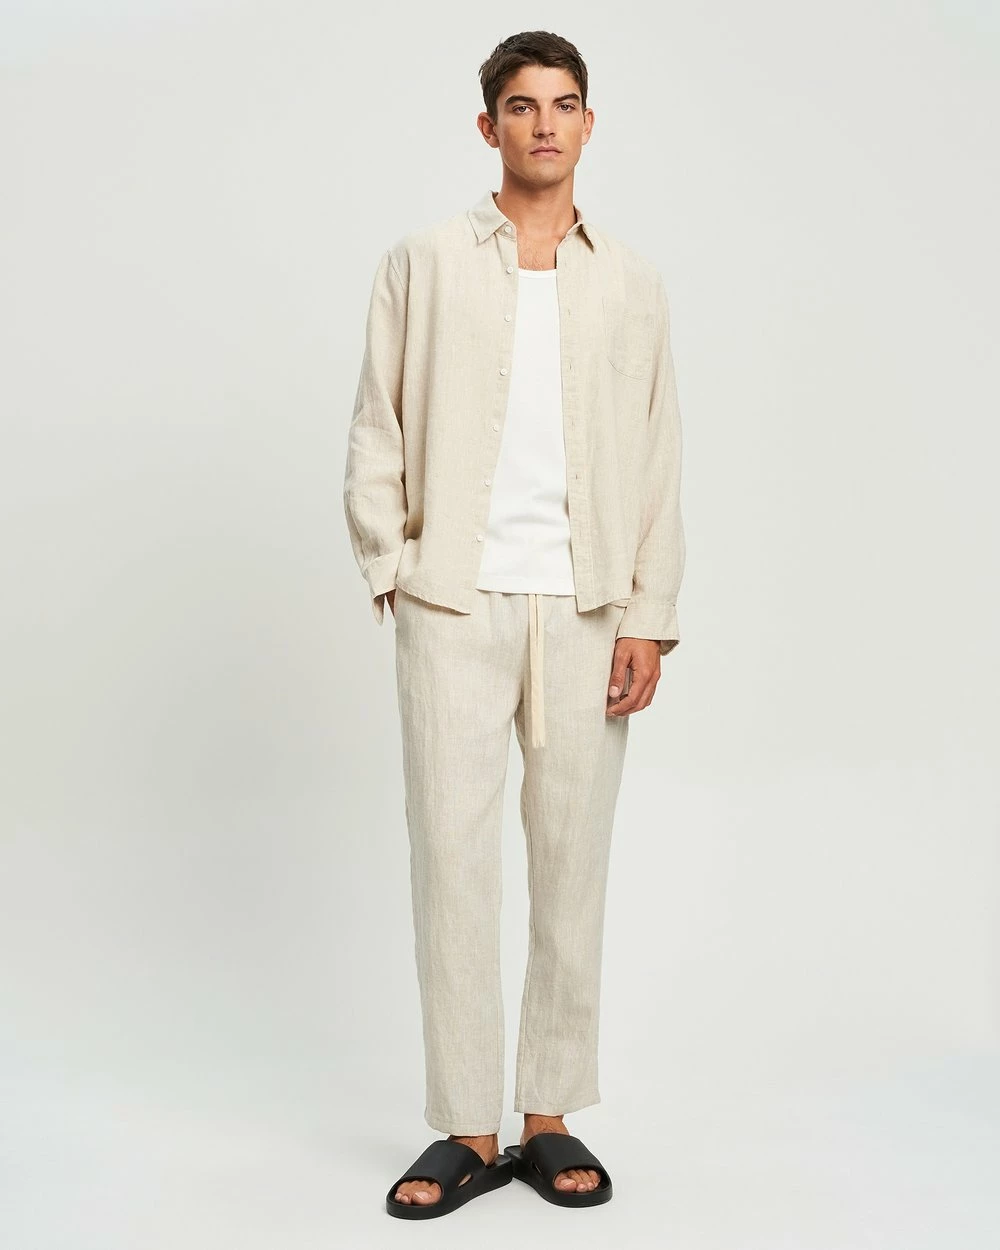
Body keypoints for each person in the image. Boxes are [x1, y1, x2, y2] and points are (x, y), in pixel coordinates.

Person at [343, 29, 686, 1220]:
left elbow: (657, 452)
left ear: (589, 124)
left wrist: (648, 614)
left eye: (566, 104)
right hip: (455, 600)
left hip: (587, 607)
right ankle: (466, 1124)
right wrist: (394, 568)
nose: (546, 124)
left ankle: (547, 1115)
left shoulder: (630, 281)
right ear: (488, 126)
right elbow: (376, 422)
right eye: (524, 106)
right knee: (450, 861)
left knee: (571, 864)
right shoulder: (424, 262)